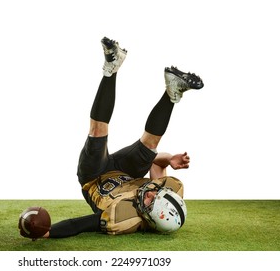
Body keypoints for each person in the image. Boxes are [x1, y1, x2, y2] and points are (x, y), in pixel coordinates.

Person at [33, 37, 203, 238]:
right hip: (124, 170)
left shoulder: (122, 219)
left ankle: (111, 67)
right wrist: (169, 158)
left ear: (151, 218)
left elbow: (79, 225)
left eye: (151, 201)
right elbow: (156, 164)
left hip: (93, 177)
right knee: (149, 147)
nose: (150, 193)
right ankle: (172, 93)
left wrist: (46, 233)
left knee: (98, 133)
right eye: (156, 194)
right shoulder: (164, 195)